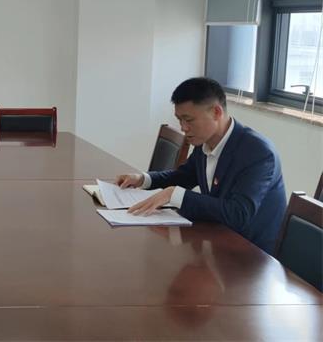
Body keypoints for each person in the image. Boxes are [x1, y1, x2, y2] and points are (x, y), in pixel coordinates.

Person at [117, 77, 287, 254]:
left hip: (252, 255)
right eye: (179, 120)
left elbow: (238, 214)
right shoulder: (204, 142)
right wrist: (143, 179)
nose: (183, 128)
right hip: (216, 241)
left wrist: (174, 194)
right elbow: (184, 176)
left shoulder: (258, 153)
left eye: (189, 120)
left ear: (216, 112)